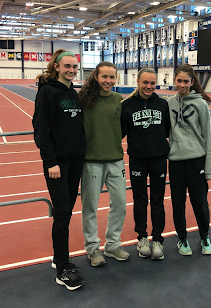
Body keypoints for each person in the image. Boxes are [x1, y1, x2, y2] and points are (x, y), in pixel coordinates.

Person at [32, 49, 86, 290]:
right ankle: (63, 267)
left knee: (67, 211)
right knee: (62, 212)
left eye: (75, 67)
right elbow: (41, 130)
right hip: (57, 164)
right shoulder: (47, 92)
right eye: (67, 66)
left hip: (75, 162)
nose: (72, 70)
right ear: (56, 66)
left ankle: (58, 258)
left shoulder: (72, 92)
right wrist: (50, 161)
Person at [78, 62, 129, 267]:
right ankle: (92, 248)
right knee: (90, 207)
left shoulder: (119, 99)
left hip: (116, 160)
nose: (108, 81)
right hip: (91, 162)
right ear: (96, 77)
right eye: (104, 77)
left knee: (120, 205)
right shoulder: (83, 99)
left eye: (112, 77)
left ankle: (112, 245)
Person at [121, 68, 170, 260]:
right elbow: (121, 132)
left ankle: (157, 239)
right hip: (137, 160)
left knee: (157, 200)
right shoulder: (127, 106)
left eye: (152, 83)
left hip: (158, 159)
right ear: (138, 82)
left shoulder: (162, 104)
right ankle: (142, 237)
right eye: (145, 82)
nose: (149, 86)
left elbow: (167, 130)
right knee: (140, 201)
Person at [167, 64, 211, 256]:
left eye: (186, 81)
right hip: (176, 162)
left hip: (197, 162)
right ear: (174, 81)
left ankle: (204, 237)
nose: (182, 84)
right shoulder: (169, 103)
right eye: (179, 81)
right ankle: (182, 239)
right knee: (177, 203)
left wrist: (209, 168)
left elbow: (208, 137)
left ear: (192, 83)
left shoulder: (201, 104)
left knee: (200, 203)